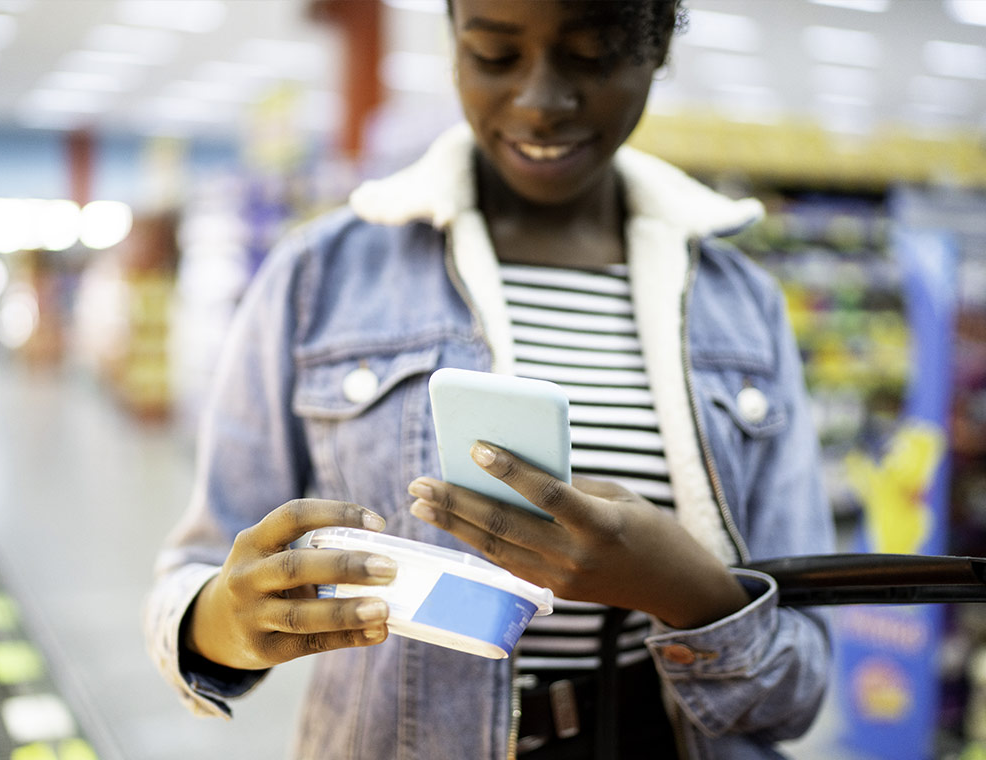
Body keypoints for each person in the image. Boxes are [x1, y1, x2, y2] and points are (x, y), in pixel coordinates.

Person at [144, 1, 836, 758]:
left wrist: (685, 591)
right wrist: (223, 621)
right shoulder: (321, 277)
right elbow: (199, 571)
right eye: (495, 56)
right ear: (453, 45)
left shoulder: (743, 307)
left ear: (658, 45)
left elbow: (796, 690)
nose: (540, 103)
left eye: (592, 55)